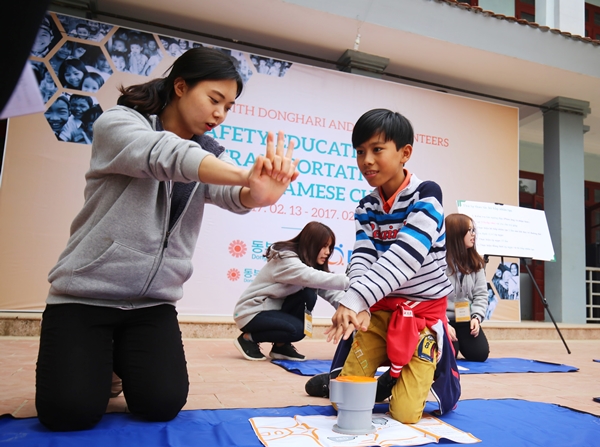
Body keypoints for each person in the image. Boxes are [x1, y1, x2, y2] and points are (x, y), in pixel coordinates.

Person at [35, 47, 299, 432]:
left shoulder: (207, 155)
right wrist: (244, 176)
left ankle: (117, 358)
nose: (220, 114)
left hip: (151, 304)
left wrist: (256, 194)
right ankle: (100, 359)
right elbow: (165, 155)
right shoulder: (120, 124)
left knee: (162, 403)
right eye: (214, 100)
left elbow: (230, 195)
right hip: (84, 296)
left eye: (229, 107)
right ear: (180, 86)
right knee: (68, 413)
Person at [323, 109, 459, 424]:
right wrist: (361, 305)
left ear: (405, 153)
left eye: (377, 149)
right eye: (360, 152)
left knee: (407, 415)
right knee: (343, 402)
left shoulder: (427, 194)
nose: (366, 160)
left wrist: (355, 299)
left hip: (421, 314)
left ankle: (435, 366)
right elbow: (362, 256)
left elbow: (406, 255)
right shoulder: (366, 205)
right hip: (380, 310)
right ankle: (385, 378)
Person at [233, 221, 348, 362]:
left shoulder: (311, 266)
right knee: (297, 330)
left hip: (273, 312)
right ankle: (247, 339)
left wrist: (352, 308)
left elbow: (332, 292)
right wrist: (354, 281)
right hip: (251, 312)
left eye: (330, 247)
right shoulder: (286, 261)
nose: (328, 252)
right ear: (311, 244)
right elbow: (310, 276)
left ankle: (281, 346)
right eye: (324, 246)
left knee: (308, 295)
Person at [444, 213, 490, 362]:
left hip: (466, 318)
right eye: (469, 230)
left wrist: (476, 316)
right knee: (450, 354)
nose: (473, 234)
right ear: (456, 233)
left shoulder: (476, 262)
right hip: (443, 319)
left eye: (473, 230)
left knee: (480, 354)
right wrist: (443, 322)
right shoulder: (438, 262)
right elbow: (432, 297)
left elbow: (481, 294)